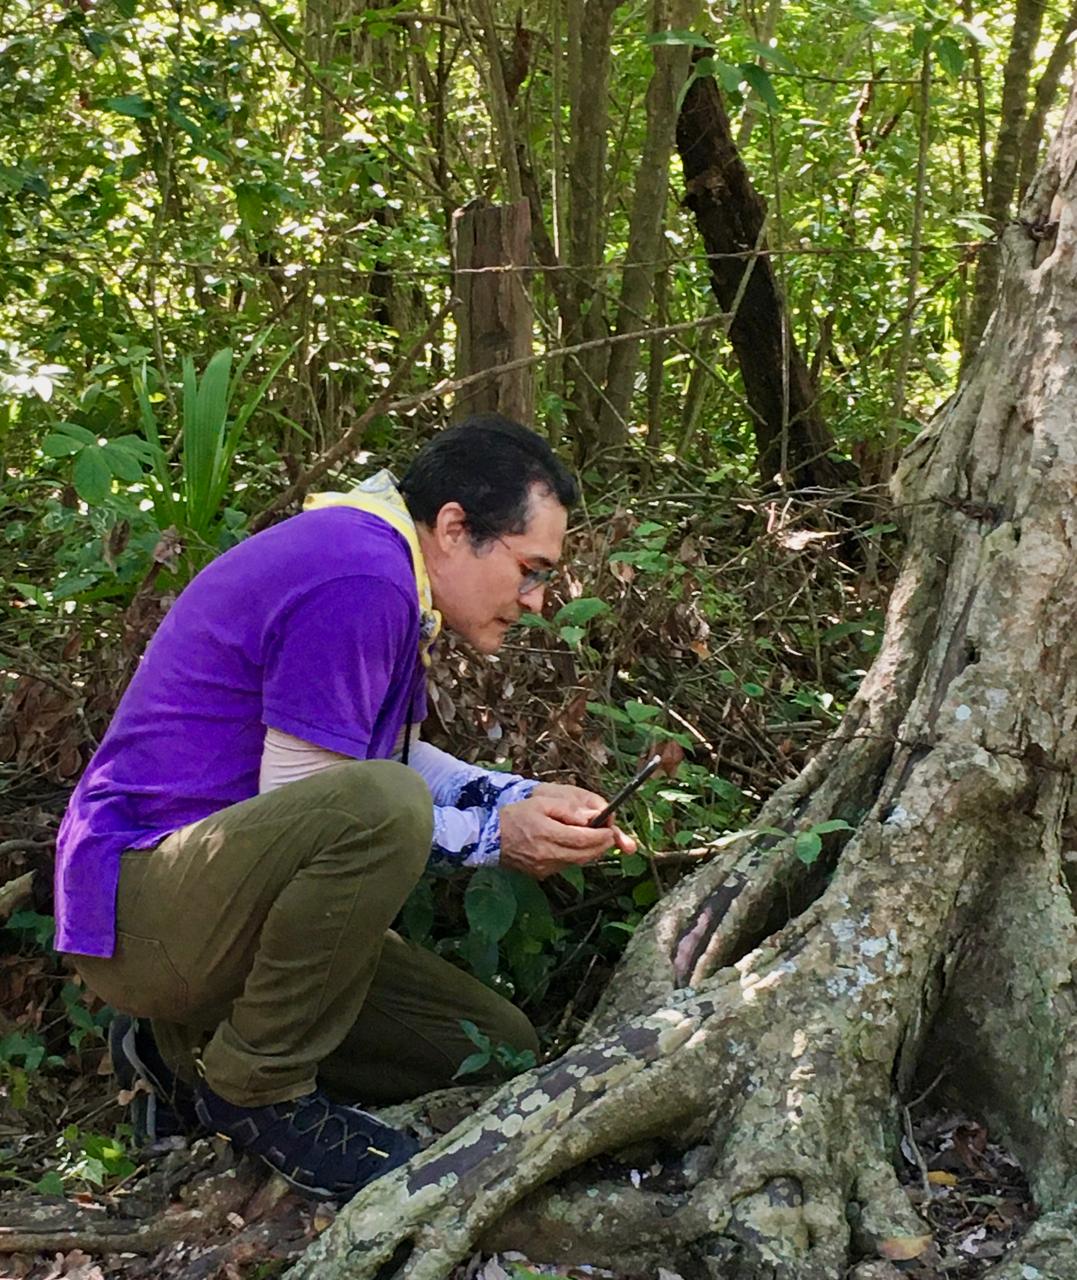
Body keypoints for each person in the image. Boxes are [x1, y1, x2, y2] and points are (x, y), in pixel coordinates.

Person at [54, 414, 634, 1202]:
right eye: (529, 569)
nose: (535, 601)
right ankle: (255, 1090)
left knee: (494, 1048)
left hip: (204, 901)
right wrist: (496, 837)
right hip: (140, 910)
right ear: (456, 527)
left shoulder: (381, 568)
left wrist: (517, 797)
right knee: (380, 807)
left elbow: (388, 762)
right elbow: (333, 803)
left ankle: (172, 1051)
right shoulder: (359, 573)